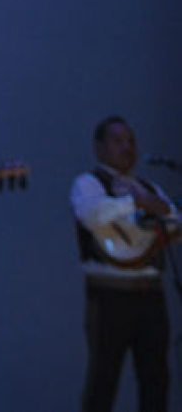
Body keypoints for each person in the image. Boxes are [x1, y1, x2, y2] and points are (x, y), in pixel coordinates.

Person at [70, 115, 180, 412]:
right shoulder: (88, 183)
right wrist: (135, 204)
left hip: (150, 294)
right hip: (109, 296)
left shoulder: (148, 186)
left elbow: (173, 220)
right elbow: (91, 214)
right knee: (104, 379)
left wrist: (153, 209)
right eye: (118, 141)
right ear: (99, 148)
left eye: (131, 141)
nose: (127, 148)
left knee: (156, 378)